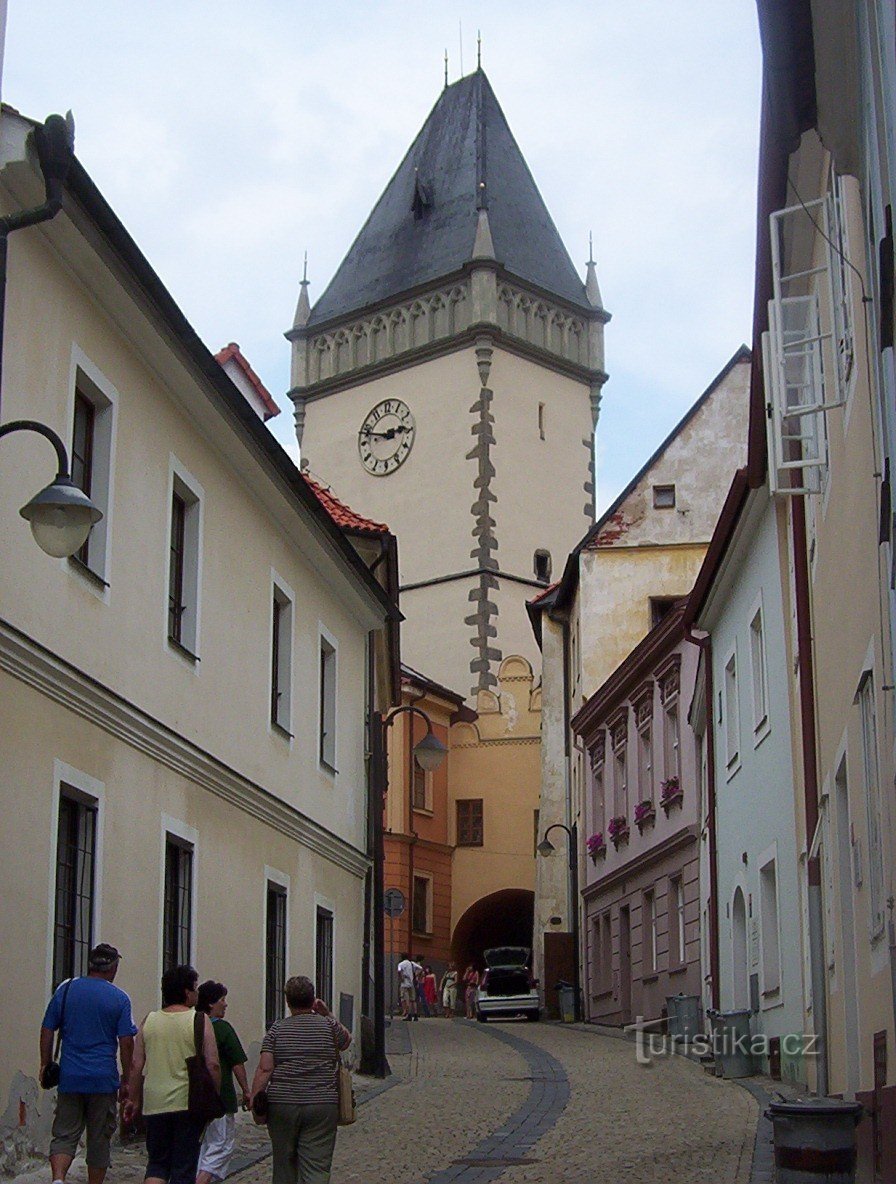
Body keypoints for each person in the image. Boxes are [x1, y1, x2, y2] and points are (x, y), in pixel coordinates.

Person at [39, 943, 137, 1184]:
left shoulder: (66, 989)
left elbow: (47, 1029)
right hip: (103, 1079)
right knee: (99, 1138)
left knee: (64, 1134)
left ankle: (58, 1179)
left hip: (70, 1076)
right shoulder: (120, 998)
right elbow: (126, 1042)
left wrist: (46, 1063)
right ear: (113, 968)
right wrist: (127, 1078)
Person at [249, 976, 351, 1184]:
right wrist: (328, 1014)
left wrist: (255, 1101)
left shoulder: (276, 1030)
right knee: (317, 1166)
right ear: (313, 999)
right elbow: (346, 1040)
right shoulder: (329, 1027)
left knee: (283, 1164)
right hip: (322, 1104)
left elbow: (265, 1068)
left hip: (282, 1105)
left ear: (288, 1001)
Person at [124, 965, 220, 1184]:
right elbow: (213, 1063)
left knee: (157, 1164)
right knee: (183, 1166)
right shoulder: (199, 1020)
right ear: (186, 992)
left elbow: (136, 1065)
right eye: (195, 988)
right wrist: (213, 1094)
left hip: (155, 1102)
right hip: (187, 1102)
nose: (197, 993)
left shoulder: (149, 1020)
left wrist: (134, 1100)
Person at [195, 981, 250, 1184]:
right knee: (221, 1144)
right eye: (222, 1000)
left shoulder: (191, 1023)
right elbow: (236, 1063)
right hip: (219, 1096)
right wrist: (246, 1090)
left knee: (201, 1144)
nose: (225, 1005)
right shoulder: (223, 1028)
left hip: (191, 1096)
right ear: (211, 1004)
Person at [396, 953, 421, 1021]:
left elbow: (399, 971)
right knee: (413, 999)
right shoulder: (411, 963)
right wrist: (415, 974)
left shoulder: (400, 964)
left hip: (404, 983)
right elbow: (420, 968)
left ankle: (409, 1015)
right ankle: (415, 1015)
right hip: (411, 983)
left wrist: (402, 978)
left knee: (406, 999)